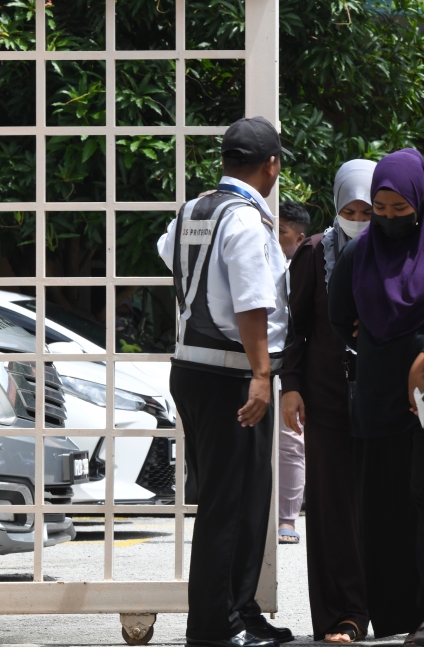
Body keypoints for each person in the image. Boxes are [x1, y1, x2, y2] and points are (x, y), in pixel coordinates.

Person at [156, 116, 293, 647]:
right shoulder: (244, 220)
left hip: (192, 367)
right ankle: (217, 626)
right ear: (271, 165)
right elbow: (251, 302)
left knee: (238, 497)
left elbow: (169, 253)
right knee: (231, 503)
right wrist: (262, 374)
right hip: (231, 373)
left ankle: (239, 610)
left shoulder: (196, 210)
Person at [328, 149, 424, 647]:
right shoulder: (358, 253)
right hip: (379, 396)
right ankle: (388, 613)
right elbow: (338, 315)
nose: (387, 221)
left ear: (421, 203)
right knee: (382, 507)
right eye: (379, 211)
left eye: (398, 211)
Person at [281, 160, 375, 642]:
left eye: (367, 209)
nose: (359, 218)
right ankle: (343, 614)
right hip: (326, 397)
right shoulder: (313, 253)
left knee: (381, 504)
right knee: (331, 507)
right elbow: (295, 326)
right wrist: (290, 385)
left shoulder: (395, 249)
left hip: (384, 399)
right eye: (350, 209)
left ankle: (394, 606)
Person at [275, 201, 311, 546]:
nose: (273, 236)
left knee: (291, 442)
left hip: (292, 364)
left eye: (282, 232)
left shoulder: (306, 265)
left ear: (300, 239)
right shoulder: (265, 261)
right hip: (262, 360)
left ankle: (288, 519)